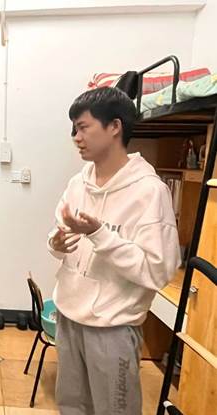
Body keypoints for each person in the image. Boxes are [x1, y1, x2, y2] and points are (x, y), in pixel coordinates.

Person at [47, 87, 181, 414]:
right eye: (74, 129)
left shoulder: (149, 192)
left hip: (112, 328)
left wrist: (99, 234)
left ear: (115, 127)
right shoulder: (78, 183)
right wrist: (56, 243)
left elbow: (158, 271)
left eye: (83, 127)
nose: (76, 137)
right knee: (70, 406)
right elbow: (61, 233)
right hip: (68, 315)